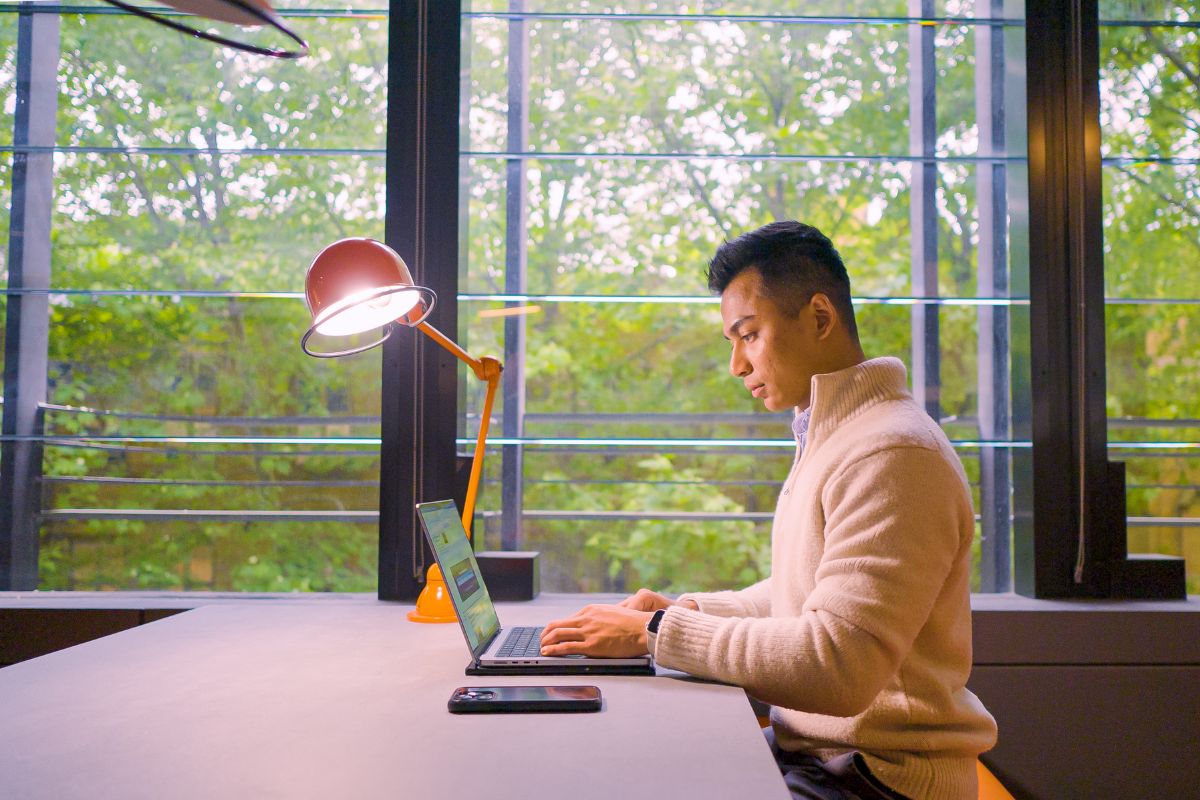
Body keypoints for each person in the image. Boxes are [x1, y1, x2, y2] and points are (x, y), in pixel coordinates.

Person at [539, 221, 997, 800]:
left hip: (879, 779)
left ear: (821, 318)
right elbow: (803, 594)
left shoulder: (894, 452)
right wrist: (689, 609)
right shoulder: (840, 434)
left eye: (748, 335)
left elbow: (838, 664)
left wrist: (657, 633)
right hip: (826, 760)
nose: (736, 364)